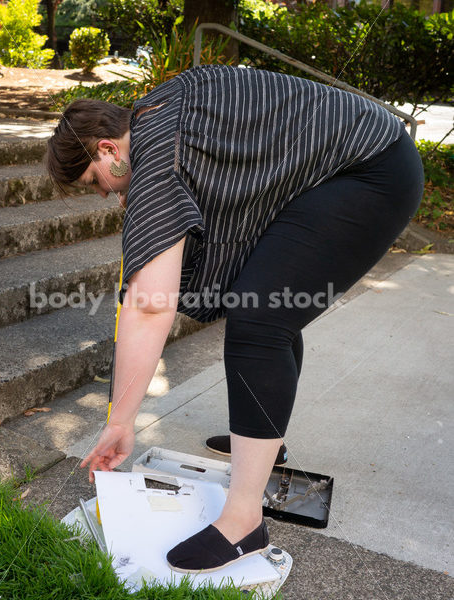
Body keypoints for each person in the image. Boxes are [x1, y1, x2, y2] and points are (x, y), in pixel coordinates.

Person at [46, 64, 424, 573]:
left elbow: (150, 304)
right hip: (356, 160)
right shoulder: (160, 115)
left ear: (110, 149)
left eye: (98, 182)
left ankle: (243, 521)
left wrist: (120, 421)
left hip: (370, 171)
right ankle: (263, 442)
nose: (112, 195)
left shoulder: (156, 155)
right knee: (267, 304)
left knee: (260, 317)